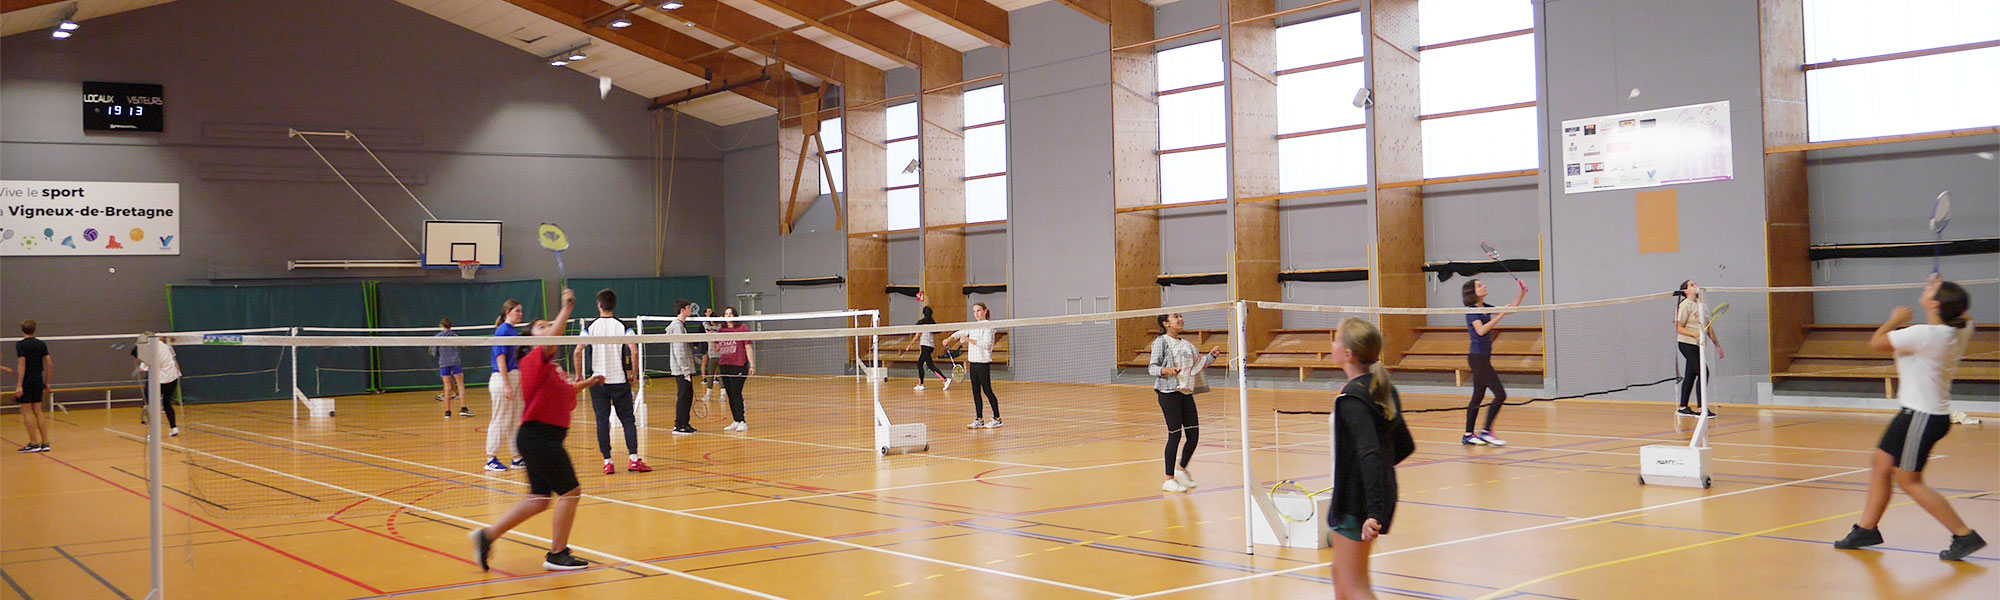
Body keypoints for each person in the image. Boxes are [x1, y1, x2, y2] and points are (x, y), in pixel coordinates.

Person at [1833, 276, 1986, 561]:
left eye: (1929, 291)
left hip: (1922, 416)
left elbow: (1877, 343)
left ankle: (1964, 536)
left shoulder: (1924, 334)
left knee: (1909, 481)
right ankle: (1867, 529)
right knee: (1881, 463)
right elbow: (1963, 313)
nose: (1925, 290)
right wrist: (1940, 291)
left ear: (1935, 304)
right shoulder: (1961, 329)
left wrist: (1894, 319)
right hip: (1912, 413)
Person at [469, 288, 603, 572]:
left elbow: (565, 394)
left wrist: (587, 383)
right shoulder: (534, 359)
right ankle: (557, 553)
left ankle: (486, 536)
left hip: (542, 437)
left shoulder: (551, 368)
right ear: (531, 340)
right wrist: (565, 308)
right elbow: (553, 339)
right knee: (571, 492)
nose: (548, 329)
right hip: (539, 437)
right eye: (541, 327)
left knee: (540, 499)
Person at [1327, 318, 1416, 600]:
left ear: (1348, 354)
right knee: (1340, 575)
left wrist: (1373, 510)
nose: (1332, 344)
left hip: (1360, 501)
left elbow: (1371, 453)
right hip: (1358, 495)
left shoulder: (1353, 398)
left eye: (1336, 339)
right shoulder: (1379, 388)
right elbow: (1404, 445)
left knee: (1356, 585)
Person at [573, 289, 650, 475]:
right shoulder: (623, 326)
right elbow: (635, 350)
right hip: (619, 381)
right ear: (614, 305)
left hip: (597, 382)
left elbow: (577, 351)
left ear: (599, 305)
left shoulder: (590, 327)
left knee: (602, 422)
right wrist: (635, 374)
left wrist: (579, 376)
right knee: (628, 421)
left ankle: (608, 462)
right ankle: (633, 460)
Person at [1149, 313, 1219, 493]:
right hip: (1169, 393)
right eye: (1175, 317)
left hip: (1186, 393)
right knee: (1175, 435)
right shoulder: (1161, 342)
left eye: (1181, 316)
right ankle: (1168, 479)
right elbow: (1152, 368)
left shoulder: (1187, 345)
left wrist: (1211, 357)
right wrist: (1166, 370)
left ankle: (1181, 470)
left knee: (1193, 436)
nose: (1180, 319)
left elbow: (1197, 366)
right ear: (1165, 324)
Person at [1461, 279, 1527, 446]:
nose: (1484, 286)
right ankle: (1485, 431)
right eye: (1479, 285)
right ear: (1472, 292)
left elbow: (1509, 310)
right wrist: (1500, 315)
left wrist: (1521, 294)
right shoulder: (1472, 311)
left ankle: (1468, 435)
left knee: (1477, 397)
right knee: (1500, 394)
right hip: (1477, 359)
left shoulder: (1485, 307)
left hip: (1483, 357)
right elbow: (1481, 330)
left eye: (1483, 284)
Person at [485, 300, 528, 471]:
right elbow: (500, 358)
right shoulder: (503, 330)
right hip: (503, 379)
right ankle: (490, 458)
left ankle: (516, 457)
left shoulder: (513, 331)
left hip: (514, 378)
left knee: (514, 419)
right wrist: (506, 384)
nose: (520, 314)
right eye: (517, 311)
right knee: (500, 419)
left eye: (521, 311)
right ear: (508, 312)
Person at [945, 303, 1001, 429]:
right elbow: (960, 332)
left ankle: (997, 418)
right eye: (974, 311)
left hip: (983, 363)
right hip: (973, 363)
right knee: (975, 391)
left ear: (985, 311)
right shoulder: (973, 326)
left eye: (979, 311)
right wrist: (949, 339)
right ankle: (979, 419)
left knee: (987, 390)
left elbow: (986, 344)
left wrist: (968, 340)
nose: (976, 314)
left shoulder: (989, 327)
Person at [1673, 280, 1723, 419]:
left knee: (1691, 374)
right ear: (1685, 291)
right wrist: (1695, 334)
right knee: (1703, 371)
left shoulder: (1702, 306)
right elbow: (1679, 328)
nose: (1695, 286)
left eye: (1695, 284)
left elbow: (1708, 327)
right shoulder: (1684, 306)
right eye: (1692, 285)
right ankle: (1701, 408)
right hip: (1686, 344)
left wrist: (1717, 345)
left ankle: (1683, 407)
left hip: (1698, 345)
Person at [710, 307, 756, 432]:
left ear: (735, 316)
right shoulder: (721, 331)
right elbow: (716, 349)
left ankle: (742, 421)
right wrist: (710, 339)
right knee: (730, 394)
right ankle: (736, 420)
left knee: (736, 393)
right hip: (725, 365)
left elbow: (748, 347)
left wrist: (751, 365)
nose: (728, 315)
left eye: (730, 314)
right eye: (726, 313)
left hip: (739, 365)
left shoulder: (742, 329)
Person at [13, 321, 51, 453]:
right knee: (38, 410)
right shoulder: (41, 344)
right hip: (38, 378)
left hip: (27, 380)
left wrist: (19, 385)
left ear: (22, 330)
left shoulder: (21, 345)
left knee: (26, 411)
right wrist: (47, 382)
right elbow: (49, 363)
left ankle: (34, 443)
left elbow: (22, 365)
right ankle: (45, 443)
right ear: (34, 330)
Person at [131, 339, 181, 436]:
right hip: (172, 379)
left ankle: (152, 432)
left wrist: (136, 370)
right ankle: (174, 428)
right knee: (167, 404)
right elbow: (175, 362)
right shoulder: (167, 346)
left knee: (153, 407)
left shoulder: (150, 352)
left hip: (160, 381)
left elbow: (142, 368)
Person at [667, 300, 700, 435]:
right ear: (682, 310)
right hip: (682, 370)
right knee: (683, 396)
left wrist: (693, 359)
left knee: (688, 395)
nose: (690, 310)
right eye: (688, 308)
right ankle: (679, 425)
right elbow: (679, 349)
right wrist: (686, 370)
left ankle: (684, 423)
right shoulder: (677, 327)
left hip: (684, 368)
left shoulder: (681, 325)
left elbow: (683, 349)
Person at [904, 306, 951, 391]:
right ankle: (921, 384)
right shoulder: (932, 323)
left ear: (923, 313)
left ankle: (945, 380)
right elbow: (938, 331)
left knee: (925, 364)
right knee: (925, 364)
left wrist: (909, 345)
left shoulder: (921, 323)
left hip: (925, 346)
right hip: (930, 346)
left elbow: (917, 336)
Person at [432, 318, 471, 419]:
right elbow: (463, 345)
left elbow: (434, 353)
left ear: (441, 326)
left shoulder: (437, 337)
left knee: (447, 387)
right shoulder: (455, 336)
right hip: (455, 362)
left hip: (444, 363)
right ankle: (463, 408)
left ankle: (447, 412)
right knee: (460, 385)